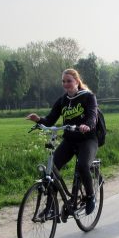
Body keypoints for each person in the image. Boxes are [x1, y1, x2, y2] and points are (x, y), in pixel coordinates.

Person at [26, 69, 99, 215]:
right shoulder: (62, 100)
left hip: (87, 139)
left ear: (77, 81)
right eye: (63, 81)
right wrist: (38, 119)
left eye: (69, 81)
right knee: (52, 168)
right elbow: (50, 120)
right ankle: (50, 207)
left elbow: (92, 115)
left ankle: (90, 197)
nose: (66, 84)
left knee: (83, 165)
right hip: (70, 139)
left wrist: (87, 125)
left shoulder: (88, 96)